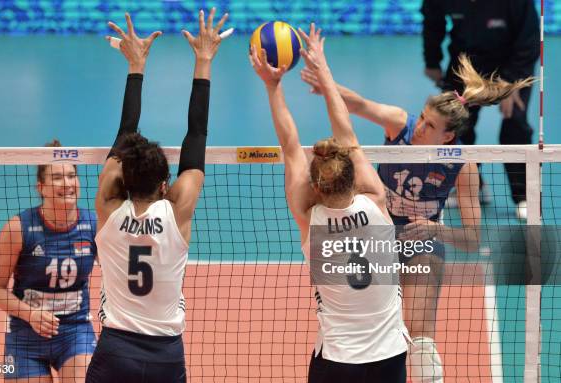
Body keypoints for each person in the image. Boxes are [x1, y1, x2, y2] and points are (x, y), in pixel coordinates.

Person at [301, 52, 534, 381]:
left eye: (430, 126)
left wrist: (437, 230)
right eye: (422, 118)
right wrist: (326, 83)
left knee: (421, 335)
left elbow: (473, 239)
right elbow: (358, 104)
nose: (419, 127)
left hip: (421, 243)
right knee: (357, 319)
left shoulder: (462, 166)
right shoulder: (399, 124)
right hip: (375, 235)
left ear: (448, 137)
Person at [251, 24, 409, 382]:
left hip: (337, 360)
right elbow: (347, 134)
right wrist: (323, 70)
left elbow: (290, 145)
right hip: (389, 356)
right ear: (353, 177)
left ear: (317, 187)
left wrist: (272, 85)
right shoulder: (375, 201)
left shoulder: (310, 218)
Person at [85, 9, 227, 383]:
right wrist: (203, 60)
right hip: (166, 353)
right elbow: (197, 135)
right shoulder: (178, 211)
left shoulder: (108, 209)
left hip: (116, 350)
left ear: (123, 177)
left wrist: (136, 64)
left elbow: (125, 131)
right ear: (166, 185)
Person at [0, 139, 97, 382]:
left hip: (74, 330)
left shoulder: (93, 226)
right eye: (57, 177)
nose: (67, 183)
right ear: (41, 187)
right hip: (26, 334)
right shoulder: (18, 229)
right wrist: (31, 315)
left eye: (71, 175)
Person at [421, 0, 540, 219]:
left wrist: (511, 82)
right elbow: (433, 21)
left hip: (511, 63)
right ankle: (472, 185)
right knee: (454, 127)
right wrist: (432, 62)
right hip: (466, 63)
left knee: (515, 125)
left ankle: (525, 196)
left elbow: (529, 40)